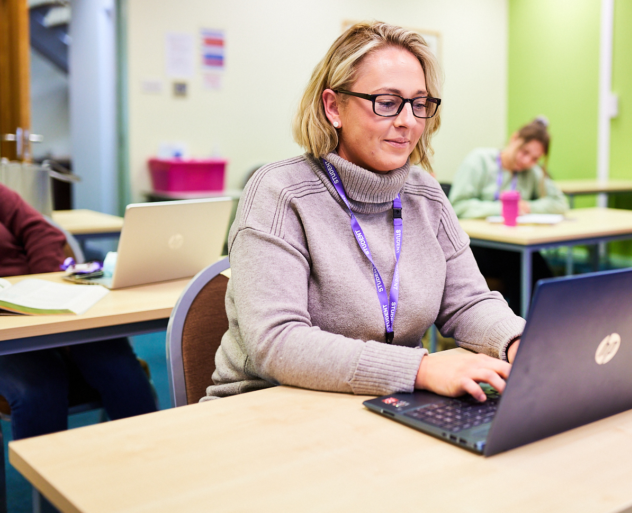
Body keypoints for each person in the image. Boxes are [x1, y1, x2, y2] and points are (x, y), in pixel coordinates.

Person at [205, 22, 524, 404]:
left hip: (384, 401)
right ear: (332, 107)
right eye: (387, 103)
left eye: (419, 104)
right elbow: (277, 341)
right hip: (266, 406)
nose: (408, 121)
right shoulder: (279, 192)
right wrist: (420, 369)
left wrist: (517, 342)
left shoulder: (426, 195)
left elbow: (469, 302)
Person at [0, 184, 157, 440]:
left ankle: (153, 460)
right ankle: (48, 478)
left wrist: (44, 290)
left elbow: (40, 230)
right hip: (6, 328)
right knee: (40, 385)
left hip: (41, 302)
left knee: (115, 362)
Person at [448, 118, 569, 315]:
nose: (527, 161)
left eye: (535, 159)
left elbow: (559, 203)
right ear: (514, 139)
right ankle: (519, 330)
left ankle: (535, 327)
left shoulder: (531, 171)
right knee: (524, 267)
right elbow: (458, 206)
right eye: (525, 152)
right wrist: (501, 209)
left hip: (512, 246)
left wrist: (528, 206)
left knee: (537, 269)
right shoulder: (479, 160)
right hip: (476, 245)